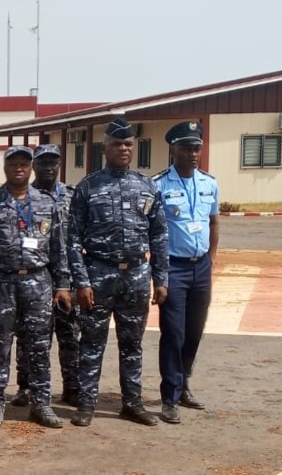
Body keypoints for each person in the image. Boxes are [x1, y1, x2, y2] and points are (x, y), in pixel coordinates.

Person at [68, 118, 169, 427]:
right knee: (92, 342)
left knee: (132, 345)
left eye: (128, 144)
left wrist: (160, 279)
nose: (123, 149)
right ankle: (86, 404)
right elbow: (72, 238)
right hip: (98, 274)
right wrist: (81, 281)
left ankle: (132, 403)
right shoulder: (88, 186)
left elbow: (160, 235)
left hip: (136, 276)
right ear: (105, 148)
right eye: (117, 144)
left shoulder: (147, 185)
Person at [0, 146, 71, 429]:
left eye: (24, 164)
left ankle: (41, 404)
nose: (19, 168)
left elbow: (58, 248)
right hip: (1, 283)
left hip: (38, 282)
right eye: (13, 164)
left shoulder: (46, 203)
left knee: (39, 345)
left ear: (31, 168)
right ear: (5, 168)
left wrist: (62, 285)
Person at [154, 121, 219, 424]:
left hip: (201, 267)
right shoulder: (159, 185)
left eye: (197, 148)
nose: (194, 154)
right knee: (174, 333)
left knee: (194, 330)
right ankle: (170, 397)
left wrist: (212, 258)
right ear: (174, 149)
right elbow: (151, 231)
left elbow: (214, 222)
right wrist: (158, 273)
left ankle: (184, 385)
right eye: (187, 148)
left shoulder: (209, 183)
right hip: (173, 267)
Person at [11, 144, 81, 408]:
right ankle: (25, 386)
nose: (48, 167)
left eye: (53, 162)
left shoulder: (72, 196)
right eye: (42, 163)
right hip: (33, 274)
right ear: (34, 166)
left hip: (66, 276)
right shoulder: (23, 196)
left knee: (69, 334)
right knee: (28, 334)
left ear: (60, 164)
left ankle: (72, 387)